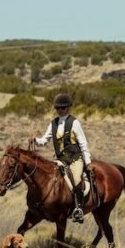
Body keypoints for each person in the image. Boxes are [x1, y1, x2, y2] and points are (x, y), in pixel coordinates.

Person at [33, 93, 91, 224]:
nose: (60, 110)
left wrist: (88, 161)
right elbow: (45, 140)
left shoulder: (74, 123)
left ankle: (79, 209)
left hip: (75, 159)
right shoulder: (53, 123)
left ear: (68, 108)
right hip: (60, 159)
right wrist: (36, 140)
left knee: (76, 180)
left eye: (63, 108)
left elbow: (83, 143)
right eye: (57, 108)